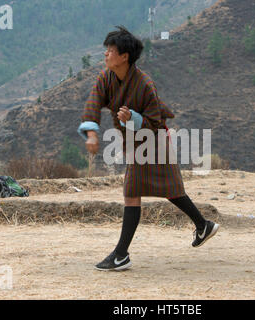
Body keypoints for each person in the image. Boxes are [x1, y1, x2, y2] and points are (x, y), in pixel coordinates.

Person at [78, 26, 219, 271]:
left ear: (125, 57)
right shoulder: (105, 77)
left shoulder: (144, 84)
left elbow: (155, 120)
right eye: (106, 50)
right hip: (137, 143)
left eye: (111, 51)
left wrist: (132, 116)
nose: (106, 55)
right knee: (170, 190)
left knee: (133, 192)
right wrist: (91, 133)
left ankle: (121, 254)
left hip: (153, 140)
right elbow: (94, 101)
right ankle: (203, 225)